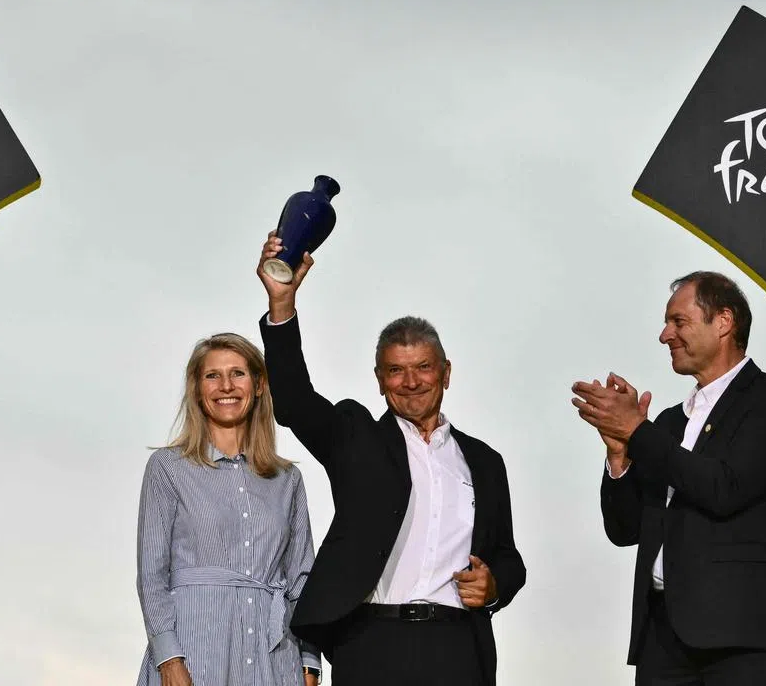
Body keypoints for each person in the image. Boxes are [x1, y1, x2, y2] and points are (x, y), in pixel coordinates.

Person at [255, 232, 526, 686]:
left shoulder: (484, 461)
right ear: (379, 380)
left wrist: (495, 584)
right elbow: (296, 402)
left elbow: (508, 556)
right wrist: (282, 304)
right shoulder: (355, 437)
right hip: (370, 644)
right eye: (396, 370)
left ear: (446, 373)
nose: (411, 381)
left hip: (459, 646)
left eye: (423, 367)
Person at [571, 271, 766, 685]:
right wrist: (620, 454)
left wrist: (637, 432)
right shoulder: (666, 423)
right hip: (662, 642)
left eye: (678, 321)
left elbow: (724, 488)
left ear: (724, 322)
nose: (665, 335)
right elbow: (625, 529)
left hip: (742, 638)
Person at [136, 333, 321, 686]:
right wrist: (169, 659)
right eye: (212, 375)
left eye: (238, 373)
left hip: (274, 657)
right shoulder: (167, 468)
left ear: (259, 385)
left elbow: (302, 579)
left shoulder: (287, 479)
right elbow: (151, 576)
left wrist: (310, 660)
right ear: (197, 389)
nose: (226, 386)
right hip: (194, 654)